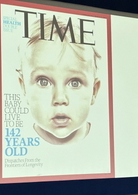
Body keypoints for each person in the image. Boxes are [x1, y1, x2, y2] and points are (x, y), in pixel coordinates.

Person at [17, 17, 101, 145]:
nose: (60, 99)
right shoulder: (17, 140)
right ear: (23, 88)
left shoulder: (107, 140)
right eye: (43, 82)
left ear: (94, 91)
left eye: (75, 83)